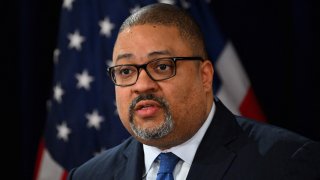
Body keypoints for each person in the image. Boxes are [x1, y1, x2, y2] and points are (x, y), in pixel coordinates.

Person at [67, 3, 320, 180]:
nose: (141, 85)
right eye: (125, 71)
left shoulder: (286, 163)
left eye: (162, 66)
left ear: (205, 76)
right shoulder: (88, 176)